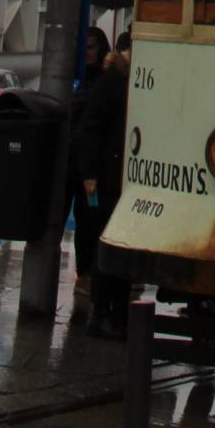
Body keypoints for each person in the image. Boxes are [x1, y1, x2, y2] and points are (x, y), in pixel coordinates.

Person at [74, 44, 130, 338]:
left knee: (118, 248)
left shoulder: (123, 80)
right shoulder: (112, 82)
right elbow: (90, 129)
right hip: (108, 178)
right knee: (108, 246)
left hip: (120, 177)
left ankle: (117, 312)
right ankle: (102, 311)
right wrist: (90, 174)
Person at [66, 27, 111, 297]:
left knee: (91, 220)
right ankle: (85, 272)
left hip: (94, 168)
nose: (87, 54)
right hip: (74, 164)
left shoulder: (103, 83)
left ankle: (91, 272)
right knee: (83, 220)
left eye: (92, 48)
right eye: (84, 48)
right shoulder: (75, 81)